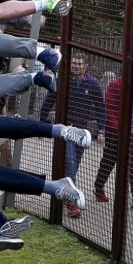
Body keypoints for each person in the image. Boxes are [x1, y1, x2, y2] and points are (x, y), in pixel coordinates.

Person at [39, 53, 106, 218]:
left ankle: (63, 191)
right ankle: (71, 202)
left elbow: (100, 108)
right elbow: (49, 99)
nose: (76, 66)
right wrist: (42, 121)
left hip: (82, 132)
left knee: (74, 165)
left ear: (85, 66)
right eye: (74, 64)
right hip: (66, 130)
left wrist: (101, 130)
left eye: (79, 64)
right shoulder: (63, 81)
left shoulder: (93, 84)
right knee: (70, 164)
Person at [94, 70, 133, 211]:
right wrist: (118, 127)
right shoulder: (115, 85)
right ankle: (99, 187)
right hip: (116, 132)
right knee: (109, 160)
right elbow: (109, 109)